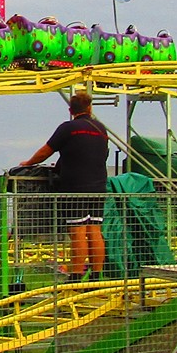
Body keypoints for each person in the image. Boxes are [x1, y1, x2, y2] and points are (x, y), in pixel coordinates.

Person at [16, 91, 109, 281]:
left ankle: (75, 276)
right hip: (99, 186)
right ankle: (96, 276)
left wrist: (28, 163)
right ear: (90, 108)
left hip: (75, 186)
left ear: (70, 110)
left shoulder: (69, 128)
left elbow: (45, 151)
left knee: (78, 232)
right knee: (95, 230)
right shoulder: (100, 129)